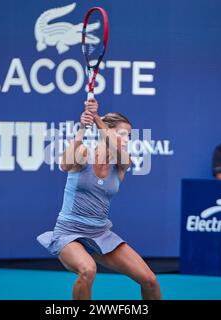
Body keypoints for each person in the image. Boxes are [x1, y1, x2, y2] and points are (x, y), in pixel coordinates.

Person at [37, 98, 162, 300]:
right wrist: (83, 128)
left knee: (150, 281)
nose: (127, 140)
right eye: (122, 134)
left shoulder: (122, 163)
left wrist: (96, 118)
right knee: (88, 270)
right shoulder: (84, 154)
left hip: (100, 234)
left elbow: (118, 150)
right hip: (69, 232)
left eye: (129, 136)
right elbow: (64, 164)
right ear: (108, 132)